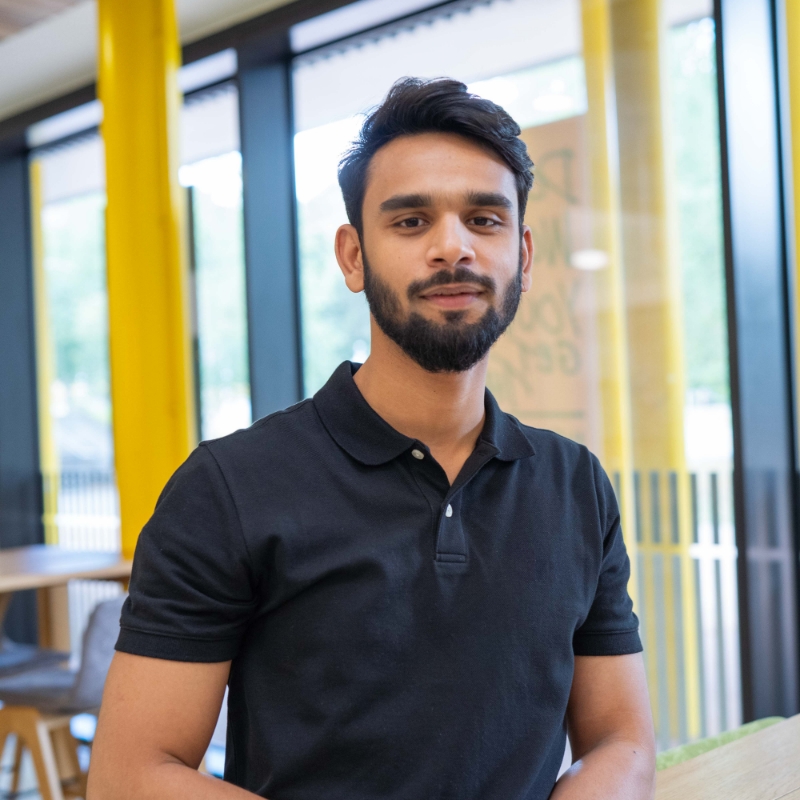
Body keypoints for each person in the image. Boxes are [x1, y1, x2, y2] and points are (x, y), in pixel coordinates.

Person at [88, 77, 656, 800]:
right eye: (411, 221)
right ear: (353, 257)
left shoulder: (576, 485)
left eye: (484, 219)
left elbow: (623, 740)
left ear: (524, 253)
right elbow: (131, 775)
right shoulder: (227, 489)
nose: (453, 248)